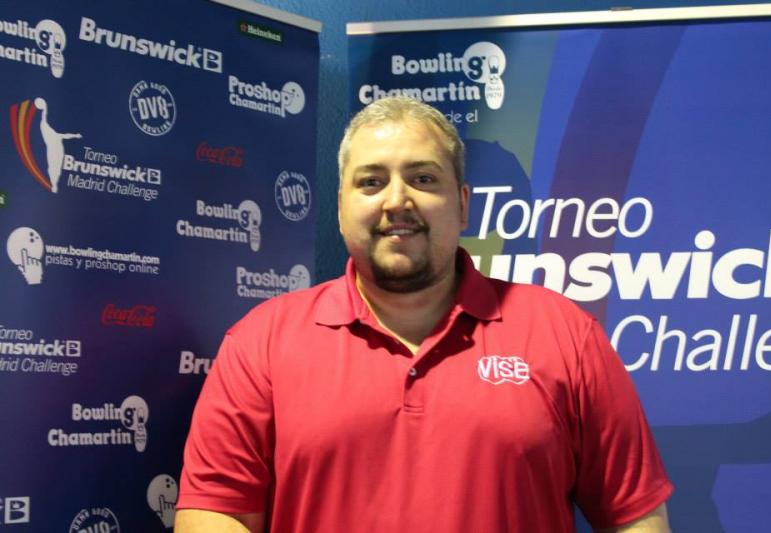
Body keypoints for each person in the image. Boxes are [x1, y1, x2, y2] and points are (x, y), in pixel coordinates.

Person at [175, 96, 673, 532]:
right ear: (342, 208)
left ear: (463, 205)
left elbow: (632, 516)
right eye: (371, 181)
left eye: (423, 178)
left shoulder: (565, 335)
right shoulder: (261, 343)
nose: (397, 200)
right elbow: (216, 513)